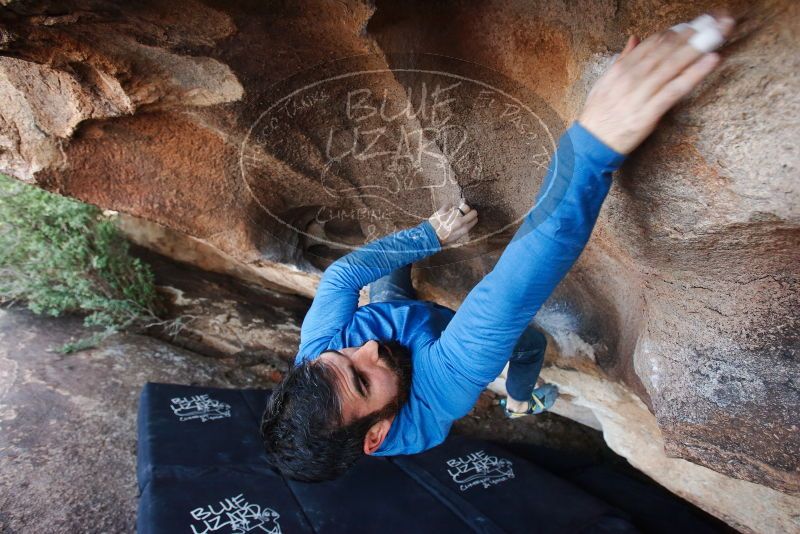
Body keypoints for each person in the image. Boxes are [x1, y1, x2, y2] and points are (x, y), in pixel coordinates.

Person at [260, 13, 735, 482]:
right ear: (377, 434)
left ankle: (469, 365)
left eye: (340, 355)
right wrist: (594, 144)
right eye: (363, 379)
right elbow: (507, 290)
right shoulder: (439, 393)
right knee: (527, 341)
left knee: (385, 284)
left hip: (400, 320)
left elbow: (344, 277)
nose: (365, 347)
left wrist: (431, 235)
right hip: (430, 355)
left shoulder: (321, 358)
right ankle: (521, 398)